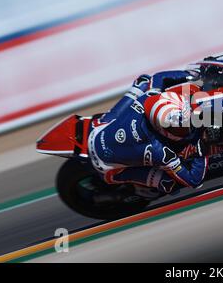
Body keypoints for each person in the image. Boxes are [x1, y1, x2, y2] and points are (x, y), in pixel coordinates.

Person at [87, 70, 208, 199]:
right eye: (180, 129)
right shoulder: (159, 152)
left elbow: (158, 77)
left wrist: (191, 74)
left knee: (143, 81)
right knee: (170, 183)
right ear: (162, 129)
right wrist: (201, 150)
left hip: (98, 129)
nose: (187, 130)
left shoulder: (149, 97)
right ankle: (139, 190)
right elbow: (193, 181)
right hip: (107, 167)